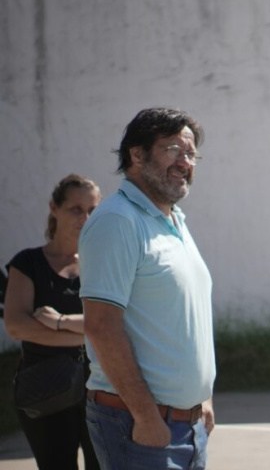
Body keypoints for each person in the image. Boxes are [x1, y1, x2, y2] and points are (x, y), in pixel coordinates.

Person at [78, 107, 215, 469]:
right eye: (174, 150)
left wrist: (201, 399)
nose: (185, 162)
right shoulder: (117, 220)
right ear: (137, 155)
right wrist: (146, 417)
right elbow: (101, 326)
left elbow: (183, 318)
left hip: (186, 424)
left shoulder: (173, 219)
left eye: (191, 154)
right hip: (139, 425)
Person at [4, 173, 101, 470]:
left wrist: (58, 322)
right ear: (54, 208)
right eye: (76, 209)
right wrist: (90, 333)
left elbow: (121, 323)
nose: (85, 218)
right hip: (46, 387)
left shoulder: (103, 262)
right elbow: (17, 326)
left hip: (103, 388)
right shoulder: (28, 263)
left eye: (92, 210)